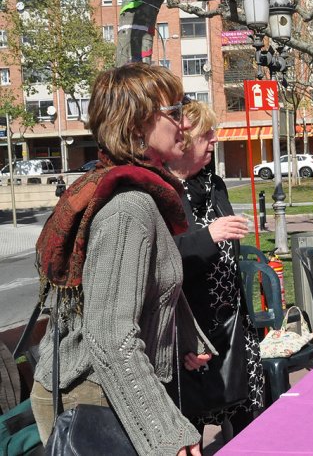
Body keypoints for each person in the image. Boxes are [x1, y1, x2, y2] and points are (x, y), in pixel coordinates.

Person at [31, 63, 207, 455]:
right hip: (92, 396)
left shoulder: (141, 192)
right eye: (174, 112)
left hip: (111, 387)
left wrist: (185, 337)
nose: (184, 124)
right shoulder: (128, 207)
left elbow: (153, 284)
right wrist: (168, 435)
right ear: (136, 125)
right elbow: (110, 336)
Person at [167, 101, 262, 438]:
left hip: (233, 325)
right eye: (206, 135)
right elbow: (159, 263)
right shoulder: (161, 192)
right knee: (189, 427)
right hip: (190, 334)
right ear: (182, 141)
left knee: (247, 416)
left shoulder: (215, 184)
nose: (214, 141)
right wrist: (209, 236)